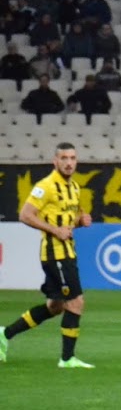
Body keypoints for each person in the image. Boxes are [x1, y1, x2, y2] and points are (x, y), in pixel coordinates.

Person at [0, 143, 94, 369]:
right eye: (64, 158)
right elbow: (25, 215)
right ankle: (67, 358)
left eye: (72, 158)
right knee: (76, 302)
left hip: (67, 251)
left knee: (55, 306)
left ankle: (5, 334)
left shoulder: (74, 187)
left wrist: (79, 222)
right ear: (55, 161)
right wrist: (55, 231)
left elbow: (65, 222)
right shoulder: (46, 186)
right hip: (55, 254)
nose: (69, 163)